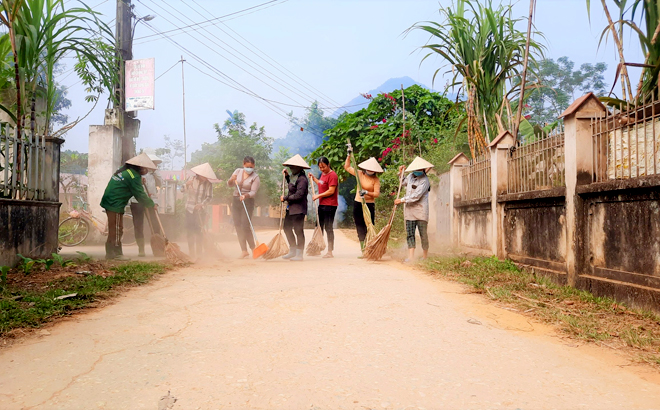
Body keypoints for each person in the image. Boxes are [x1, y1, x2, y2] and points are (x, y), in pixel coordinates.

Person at [100, 153, 156, 260]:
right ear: (139, 167)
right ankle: (116, 254)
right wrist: (151, 204)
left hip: (110, 200)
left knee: (114, 228)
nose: (146, 171)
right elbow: (140, 195)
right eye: (145, 168)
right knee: (117, 229)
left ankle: (110, 253)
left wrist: (138, 181)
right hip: (114, 202)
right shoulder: (133, 176)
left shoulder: (126, 171)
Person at [395, 156, 434, 262]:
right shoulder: (411, 176)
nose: (417, 171)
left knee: (423, 234)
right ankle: (411, 257)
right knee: (410, 234)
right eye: (415, 170)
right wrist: (400, 173)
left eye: (419, 170)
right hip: (409, 211)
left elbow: (416, 196)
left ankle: (425, 256)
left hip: (421, 211)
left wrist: (401, 200)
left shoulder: (425, 181)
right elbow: (402, 183)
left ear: (423, 169)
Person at [344, 153, 383, 254]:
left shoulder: (376, 180)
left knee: (369, 225)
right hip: (358, 203)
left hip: (369, 205)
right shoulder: (360, 174)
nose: (369, 170)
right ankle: (363, 249)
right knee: (359, 225)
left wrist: (367, 192)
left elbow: (376, 194)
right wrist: (348, 156)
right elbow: (347, 167)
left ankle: (370, 247)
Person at [130, 153, 163, 257]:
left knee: (155, 224)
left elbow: (160, 184)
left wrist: (155, 171)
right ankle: (141, 249)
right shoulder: (135, 173)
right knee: (138, 226)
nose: (154, 165)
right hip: (136, 202)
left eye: (155, 164)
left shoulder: (153, 174)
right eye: (153, 163)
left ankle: (159, 248)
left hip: (151, 202)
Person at [228, 156, 261, 259]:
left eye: (251, 167)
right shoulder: (237, 171)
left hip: (248, 202)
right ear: (243, 164)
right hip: (236, 200)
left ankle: (253, 249)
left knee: (245, 226)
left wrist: (245, 196)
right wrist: (231, 179)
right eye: (247, 166)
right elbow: (229, 185)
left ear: (254, 166)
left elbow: (253, 192)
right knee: (237, 225)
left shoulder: (255, 177)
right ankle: (244, 250)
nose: (249, 169)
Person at [183, 162, 216, 260]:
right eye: (204, 176)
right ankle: (191, 252)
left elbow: (209, 197)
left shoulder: (208, 184)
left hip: (200, 210)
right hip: (189, 208)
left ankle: (199, 253)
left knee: (199, 231)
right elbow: (182, 190)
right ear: (199, 174)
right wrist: (186, 185)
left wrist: (201, 205)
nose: (205, 178)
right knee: (190, 231)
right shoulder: (190, 180)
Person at [280, 154, 310, 262]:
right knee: (286, 228)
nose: (291, 168)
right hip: (291, 208)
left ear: (299, 167)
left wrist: (285, 198)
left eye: (293, 167)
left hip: (299, 209)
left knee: (298, 230)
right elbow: (292, 187)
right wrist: (287, 177)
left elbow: (298, 195)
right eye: (290, 167)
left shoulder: (303, 180)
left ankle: (299, 253)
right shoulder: (295, 177)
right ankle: (292, 250)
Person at [309, 157, 338, 258]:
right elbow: (321, 184)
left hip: (330, 205)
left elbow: (331, 191)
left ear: (328, 164)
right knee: (319, 227)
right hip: (322, 204)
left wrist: (318, 196)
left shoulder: (333, 175)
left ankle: (330, 251)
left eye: (323, 167)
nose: (321, 169)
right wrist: (314, 178)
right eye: (320, 167)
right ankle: (317, 248)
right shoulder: (323, 174)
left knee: (328, 228)